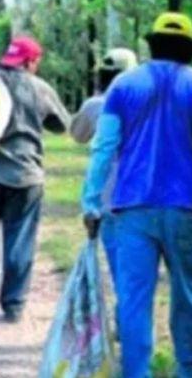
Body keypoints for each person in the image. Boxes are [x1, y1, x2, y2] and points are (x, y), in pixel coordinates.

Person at [82, 12, 192, 378]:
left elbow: (103, 147)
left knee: (134, 299)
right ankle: (190, 369)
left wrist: (91, 202)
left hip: (131, 210)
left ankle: (136, 372)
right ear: (191, 48)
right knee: (188, 293)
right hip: (185, 208)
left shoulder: (123, 87)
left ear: (152, 44)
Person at [0, 36, 70, 323]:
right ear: (31, 62)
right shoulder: (39, 88)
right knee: (19, 238)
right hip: (24, 176)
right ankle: (14, 302)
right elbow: (62, 124)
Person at [70, 47, 138, 276]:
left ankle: (125, 308)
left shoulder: (95, 105)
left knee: (119, 266)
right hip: (142, 194)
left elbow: (78, 135)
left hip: (107, 196)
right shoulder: (147, 103)